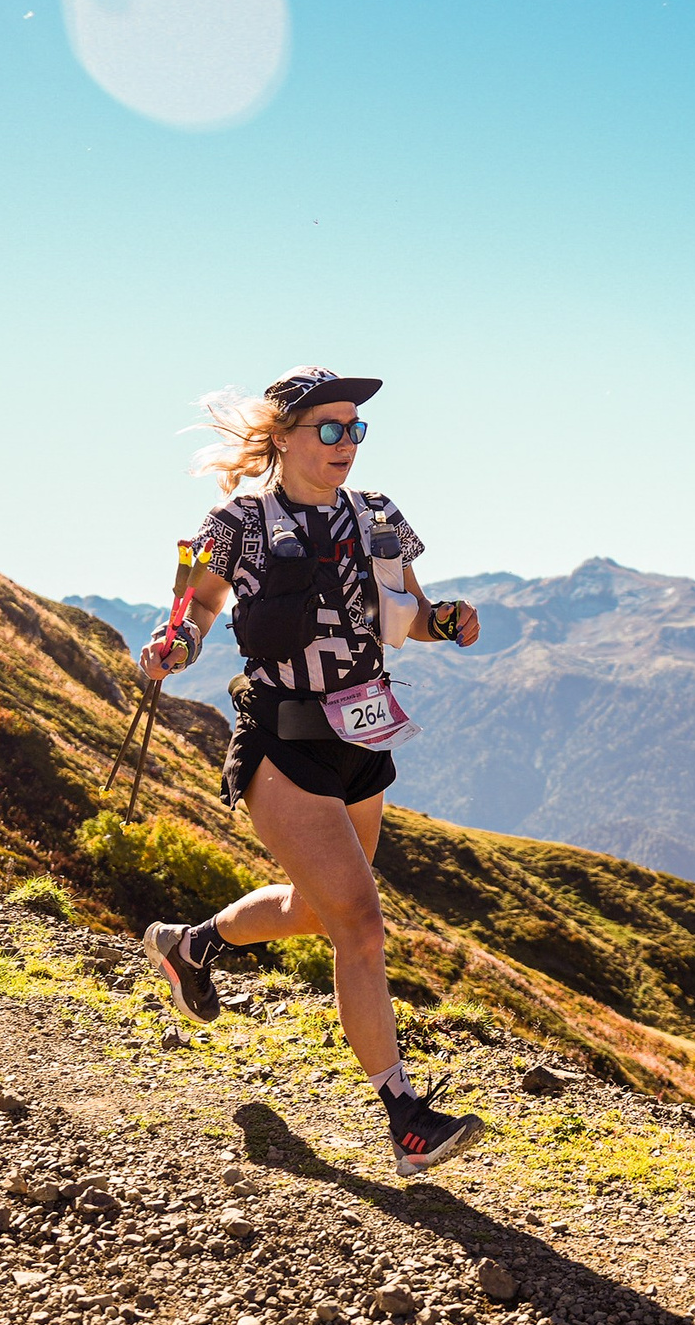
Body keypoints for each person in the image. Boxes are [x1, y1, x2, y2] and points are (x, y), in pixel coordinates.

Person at [135, 365, 488, 1177]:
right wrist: (175, 646)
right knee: (360, 923)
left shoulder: (381, 516)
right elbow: (197, 608)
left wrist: (447, 621)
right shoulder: (237, 523)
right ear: (284, 437)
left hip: (364, 735)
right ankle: (406, 1121)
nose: (346, 443)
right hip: (283, 740)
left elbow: (406, 614)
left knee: (319, 909)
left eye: (355, 429)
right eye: (330, 428)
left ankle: (191, 946)